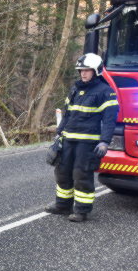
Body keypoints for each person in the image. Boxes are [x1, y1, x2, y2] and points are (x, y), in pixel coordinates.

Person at [45, 53, 118, 222]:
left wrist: (104, 142)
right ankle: (62, 205)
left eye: (87, 70)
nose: (83, 73)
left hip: (88, 143)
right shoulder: (75, 88)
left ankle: (82, 210)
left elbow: (109, 120)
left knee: (81, 175)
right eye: (81, 70)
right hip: (68, 140)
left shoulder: (106, 92)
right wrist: (59, 134)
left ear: (96, 71)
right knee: (62, 172)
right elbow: (67, 114)